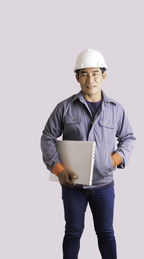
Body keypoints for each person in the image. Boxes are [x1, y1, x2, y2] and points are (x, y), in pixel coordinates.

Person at [40, 49, 136, 259]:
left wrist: (114, 160)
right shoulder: (65, 107)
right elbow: (47, 136)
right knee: (73, 233)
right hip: (73, 185)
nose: (90, 79)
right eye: (84, 74)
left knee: (106, 233)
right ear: (77, 78)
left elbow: (128, 138)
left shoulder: (116, 109)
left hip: (104, 185)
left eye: (94, 73)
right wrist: (58, 169)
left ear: (104, 76)